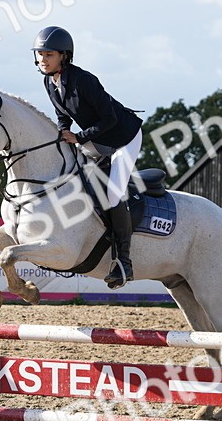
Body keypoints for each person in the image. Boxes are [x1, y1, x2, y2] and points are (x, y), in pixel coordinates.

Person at [34, 25, 143, 289]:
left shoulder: (84, 80)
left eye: (49, 54)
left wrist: (79, 137)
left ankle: (123, 262)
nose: (43, 59)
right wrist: (63, 131)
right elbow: (62, 114)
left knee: (113, 193)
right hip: (97, 140)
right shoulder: (49, 81)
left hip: (124, 138)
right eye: (40, 54)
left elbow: (110, 118)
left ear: (64, 56)